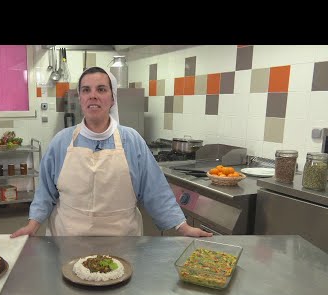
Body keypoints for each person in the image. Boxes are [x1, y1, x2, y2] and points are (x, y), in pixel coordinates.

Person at [11, 66, 212, 238]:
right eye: (86, 90)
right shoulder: (61, 142)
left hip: (122, 242)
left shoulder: (131, 141)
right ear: (80, 97)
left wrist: (183, 227)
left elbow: (156, 190)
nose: (93, 95)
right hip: (68, 241)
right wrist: (32, 225)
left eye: (101, 89)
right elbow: (45, 191)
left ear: (112, 98)